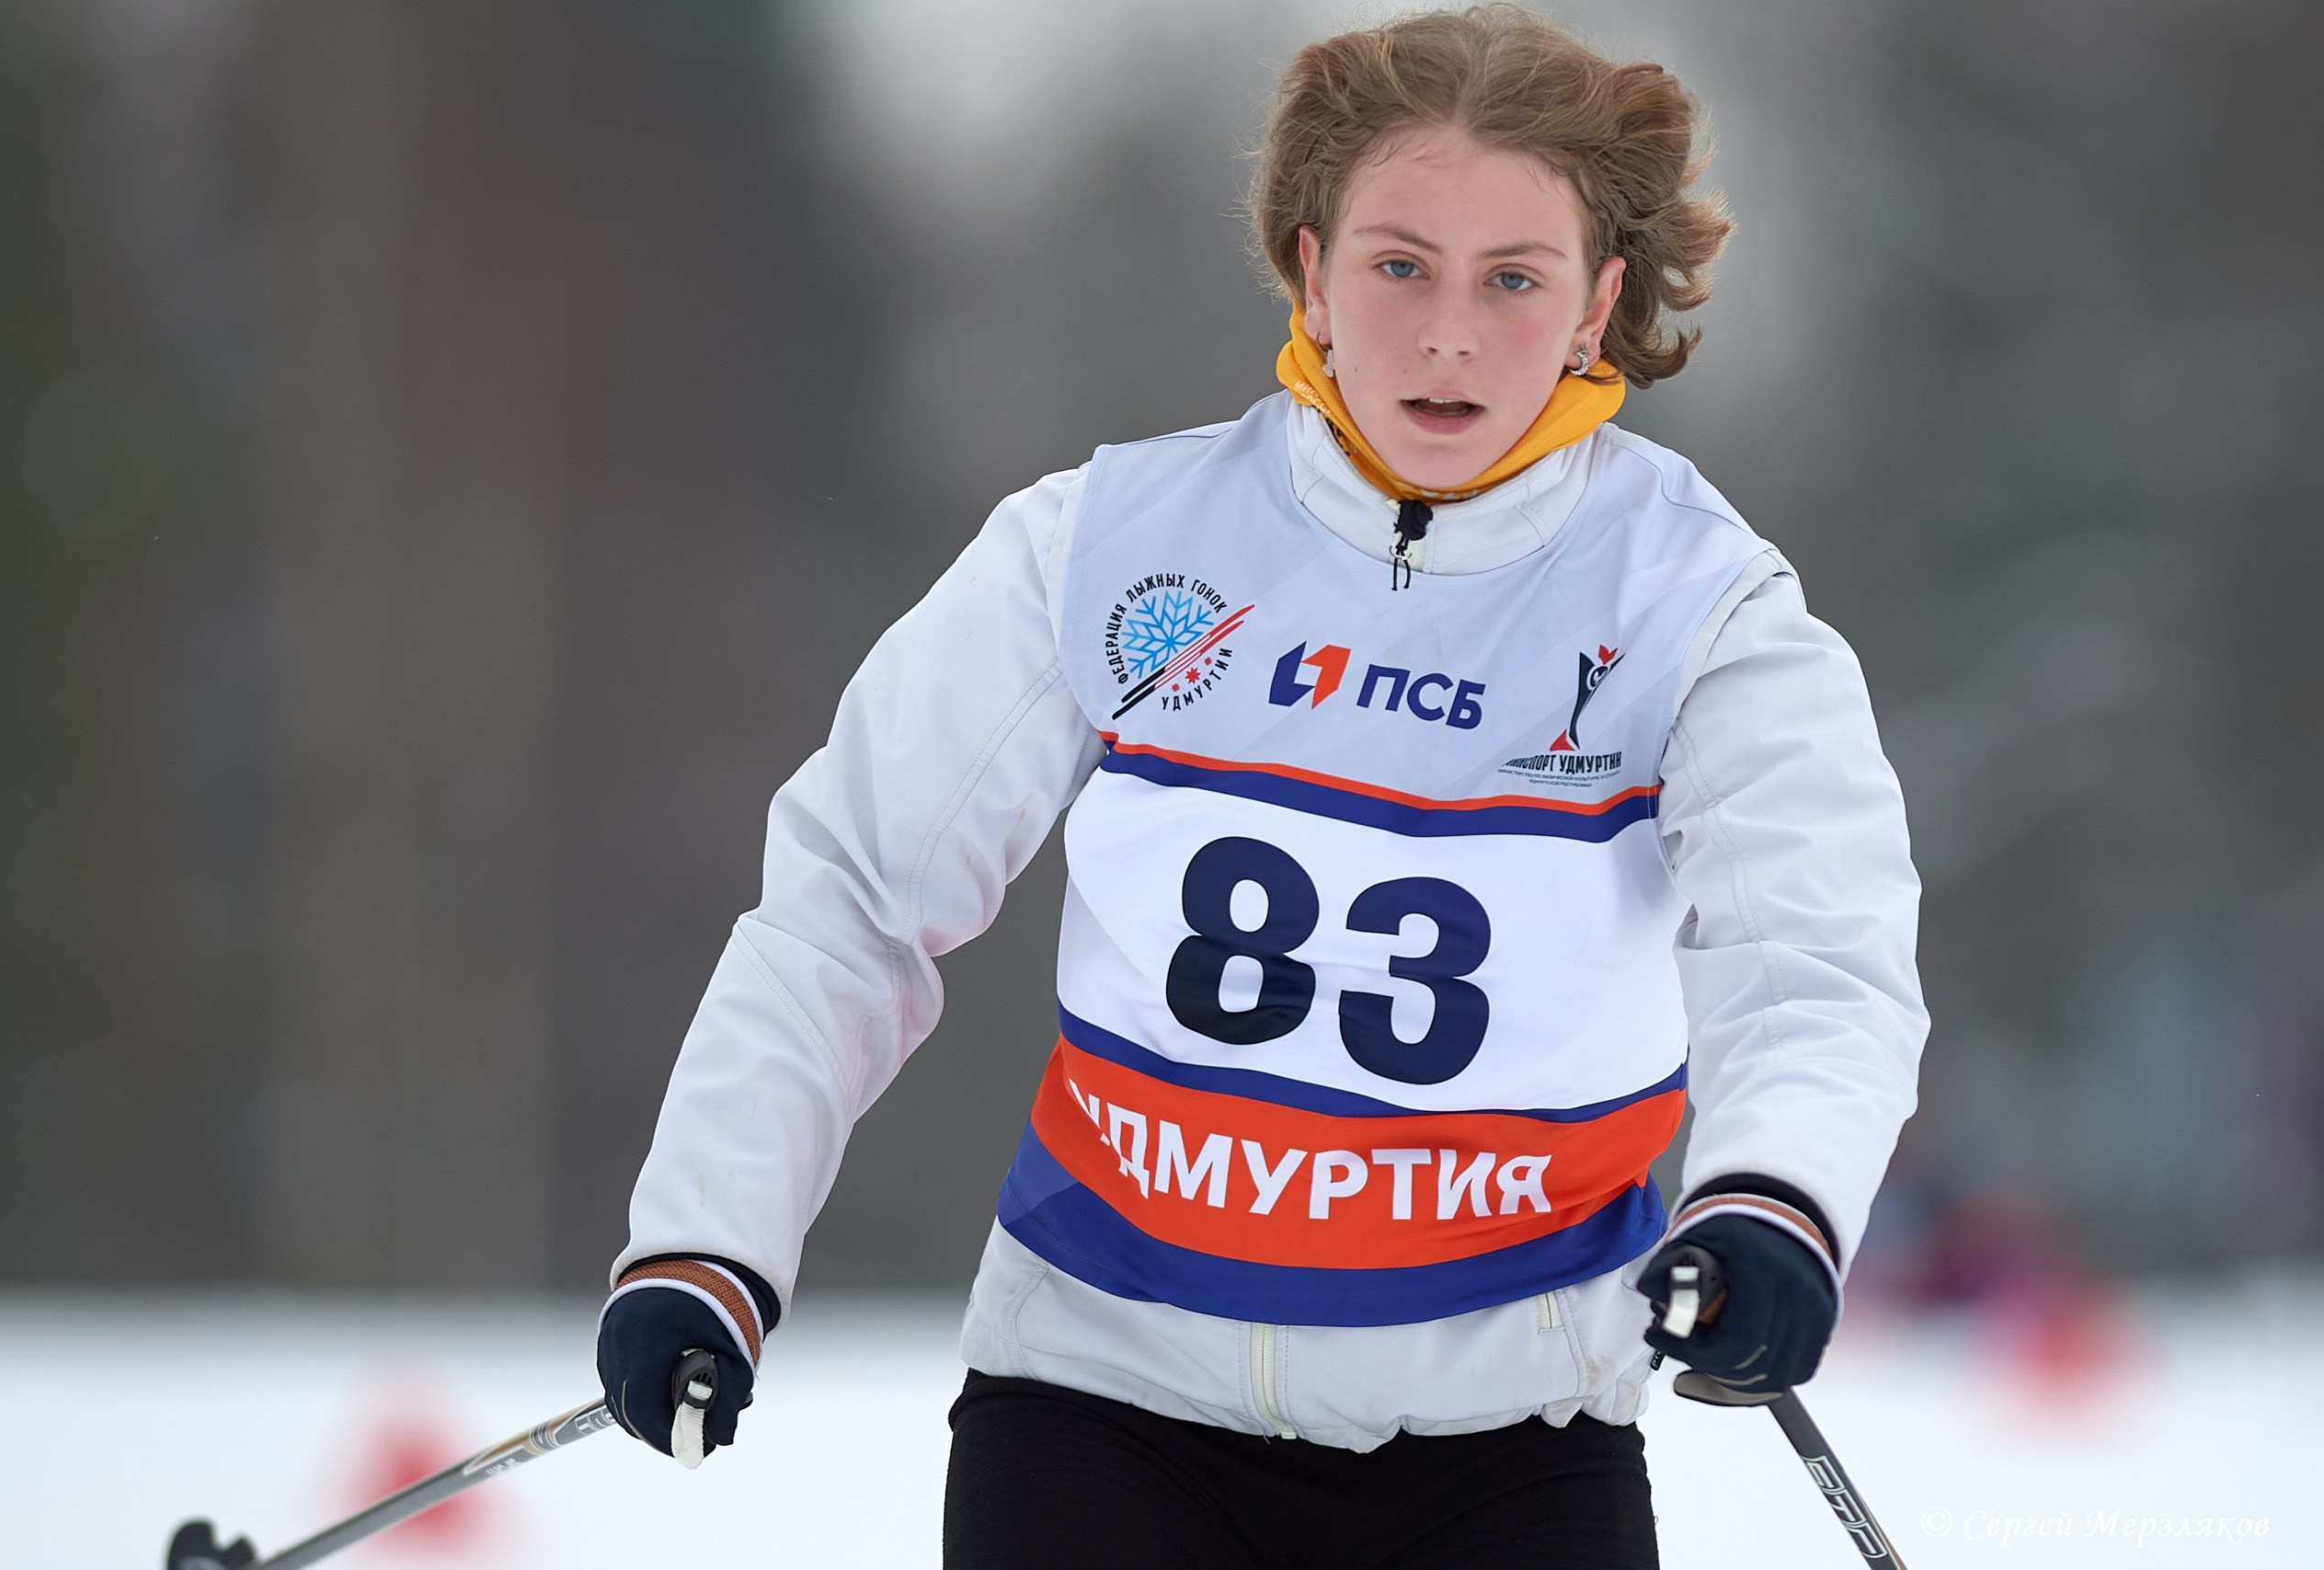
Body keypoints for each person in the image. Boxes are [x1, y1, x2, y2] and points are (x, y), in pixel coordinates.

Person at [595, 6, 1926, 1565]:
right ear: (1309, 271)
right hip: (1100, 1408)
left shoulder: (1699, 610)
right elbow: (851, 904)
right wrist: (705, 1245)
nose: (1446, 332)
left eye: (1513, 279)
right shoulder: (1110, 545)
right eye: (1398, 265)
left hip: (1512, 1441)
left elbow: (1815, 967)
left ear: (1597, 305)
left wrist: (1773, 1203)